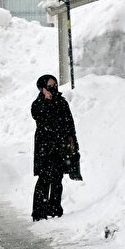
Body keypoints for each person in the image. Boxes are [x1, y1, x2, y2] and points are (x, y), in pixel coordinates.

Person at [30, 74, 80, 221]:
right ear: (43, 88)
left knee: (57, 179)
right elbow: (37, 115)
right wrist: (46, 101)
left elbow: (70, 125)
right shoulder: (37, 104)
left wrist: (73, 144)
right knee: (44, 179)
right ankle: (39, 212)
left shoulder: (62, 102)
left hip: (60, 147)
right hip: (45, 148)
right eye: (50, 85)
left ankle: (54, 208)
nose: (54, 87)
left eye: (55, 84)